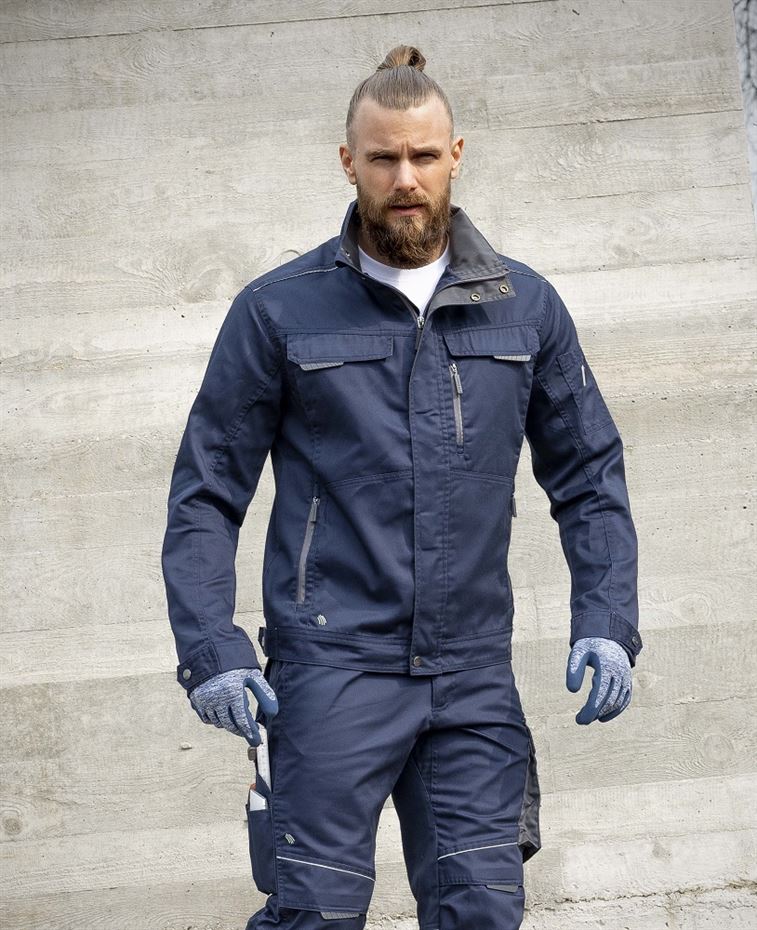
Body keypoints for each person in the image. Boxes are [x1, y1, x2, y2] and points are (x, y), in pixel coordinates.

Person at [161, 45, 643, 930]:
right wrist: (211, 648)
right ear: (349, 162)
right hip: (329, 672)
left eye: (423, 155)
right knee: (313, 913)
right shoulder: (278, 310)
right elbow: (206, 491)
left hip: (470, 675)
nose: (405, 179)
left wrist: (606, 622)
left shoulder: (525, 308)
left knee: (480, 910)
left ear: (456, 154)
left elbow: (588, 476)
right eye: (383, 158)